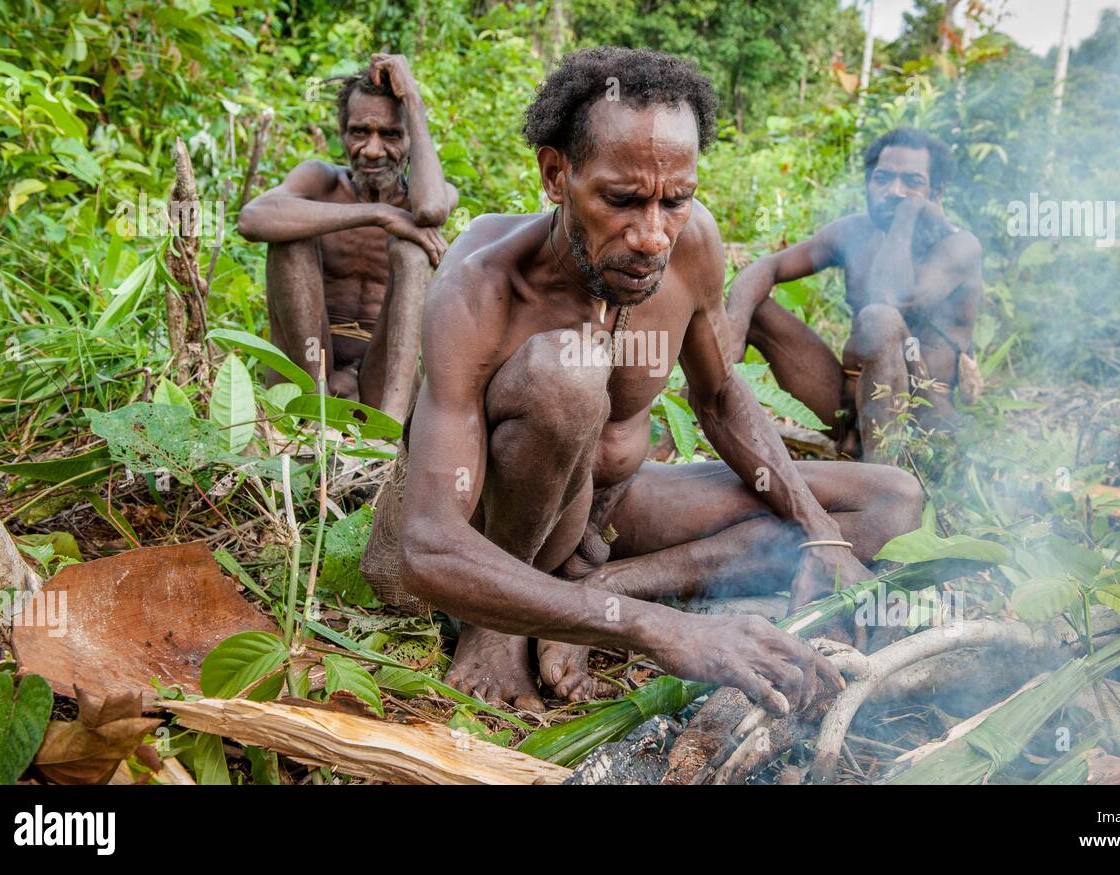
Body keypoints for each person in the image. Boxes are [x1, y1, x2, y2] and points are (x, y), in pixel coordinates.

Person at [361, 47, 923, 713]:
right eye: (622, 200)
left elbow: (717, 399)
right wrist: (660, 631)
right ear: (555, 174)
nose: (653, 235)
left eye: (675, 200)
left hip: (615, 505)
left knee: (893, 499)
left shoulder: (689, 246)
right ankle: (501, 621)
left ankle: (611, 583)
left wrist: (818, 532)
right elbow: (427, 543)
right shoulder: (481, 284)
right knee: (568, 374)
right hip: (488, 527)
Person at [726, 128, 983, 463]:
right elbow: (768, 267)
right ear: (867, 183)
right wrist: (732, 331)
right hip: (848, 411)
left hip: (923, 423)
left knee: (880, 318)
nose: (894, 191)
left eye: (912, 182)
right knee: (750, 306)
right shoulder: (853, 232)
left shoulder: (959, 246)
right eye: (883, 178)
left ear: (936, 192)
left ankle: (880, 479)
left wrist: (905, 219)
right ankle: (704, 434)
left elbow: (893, 297)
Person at [237, 53, 457, 419]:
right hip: (308, 372)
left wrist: (413, 99)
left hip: (379, 380)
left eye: (390, 135)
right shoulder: (320, 181)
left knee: (413, 250)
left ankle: (390, 427)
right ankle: (314, 418)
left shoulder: (426, 194)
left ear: (410, 139)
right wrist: (380, 213)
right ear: (343, 134)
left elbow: (432, 210)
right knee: (290, 234)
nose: (372, 150)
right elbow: (253, 219)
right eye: (360, 132)